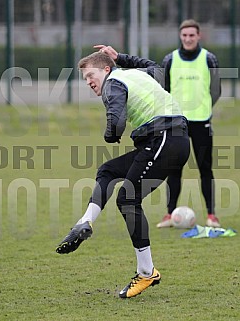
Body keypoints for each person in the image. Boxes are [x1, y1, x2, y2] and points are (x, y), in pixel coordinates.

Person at [56, 49, 190, 298]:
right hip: (169, 139)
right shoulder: (134, 74)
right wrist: (121, 57)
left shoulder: (113, 83)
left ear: (105, 70)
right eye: (85, 79)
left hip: (165, 138)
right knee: (107, 171)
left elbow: (116, 119)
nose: (88, 82)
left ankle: (147, 273)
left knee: (128, 199)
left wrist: (111, 134)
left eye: (90, 75)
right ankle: (84, 222)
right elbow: (155, 67)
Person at [156, 19, 221, 228]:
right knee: (174, 169)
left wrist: (204, 107)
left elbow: (216, 90)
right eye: (184, 35)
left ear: (198, 36)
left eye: (192, 35)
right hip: (176, 122)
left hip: (202, 121)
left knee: (205, 168)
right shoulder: (170, 60)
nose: (188, 39)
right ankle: (169, 214)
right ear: (180, 36)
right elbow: (163, 89)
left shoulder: (209, 59)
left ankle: (211, 215)